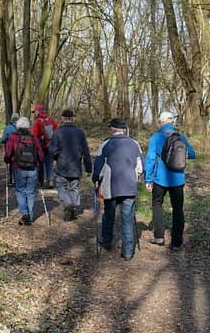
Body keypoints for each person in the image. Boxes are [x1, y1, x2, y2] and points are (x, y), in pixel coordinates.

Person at [144, 111, 196, 251]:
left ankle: (159, 237)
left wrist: (148, 179)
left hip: (160, 179)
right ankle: (177, 243)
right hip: (178, 180)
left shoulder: (156, 137)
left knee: (157, 204)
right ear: (172, 122)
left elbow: (149, 159)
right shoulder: (181, 136)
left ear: (160, 122)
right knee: (178, 209)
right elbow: (192, 154)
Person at [92, 118, 143, 260]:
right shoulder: (134, 144)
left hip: (111, 186)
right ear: (123, 130)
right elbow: (140, 167)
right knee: (127, 218)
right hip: (129, 186)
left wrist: (95, 179)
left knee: (109, 214)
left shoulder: (106, 144)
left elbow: (99, 166)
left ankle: (107, 241)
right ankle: (127, 252)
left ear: (112, 129)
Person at [48, 108, 92, 222]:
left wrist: (56, 157)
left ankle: (68, 204)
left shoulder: (58, 132)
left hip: (62, 165)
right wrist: (88, 168)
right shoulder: (80, 132)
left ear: (62, 118)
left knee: (61, 185)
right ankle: (73, 205)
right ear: (73, 119)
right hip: (76, 166)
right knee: (74, 187)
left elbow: (52, 150)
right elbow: (86, 152)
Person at [5, 117, 44, 225]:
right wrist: (40, 164)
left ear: (18, 126)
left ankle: (24, 212)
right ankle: (30, 217)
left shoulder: (14, 137)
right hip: (33, 168)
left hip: (18, 167)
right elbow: (41, 154)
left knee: (20, 190)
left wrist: (7, 160)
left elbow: (8, 152)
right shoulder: (34, 138)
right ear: (28, 126)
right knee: (30, 192)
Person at [31, 104, 59, 188]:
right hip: (50, 146)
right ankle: (50, 180)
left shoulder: (37, 122)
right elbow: (57, 132)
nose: (34, 114)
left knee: (39, 163)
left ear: (38, 111)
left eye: (34, 112)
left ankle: (40, 181)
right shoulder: (51, 120)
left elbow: (34, 136)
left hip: (40, 147)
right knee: (49, 163)